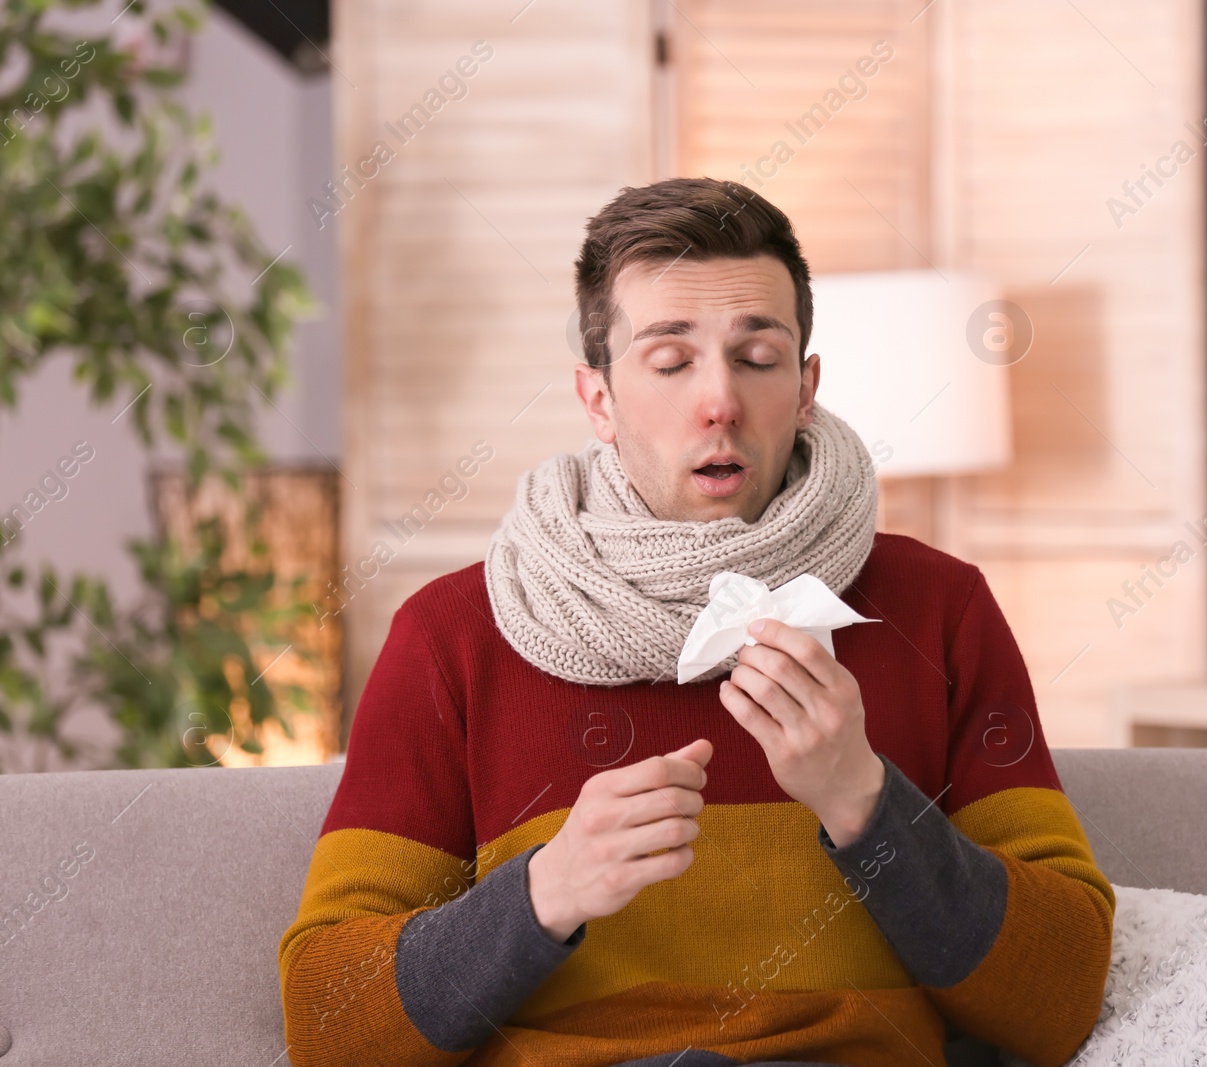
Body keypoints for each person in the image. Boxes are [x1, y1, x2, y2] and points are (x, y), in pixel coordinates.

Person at [277, 177, 1113, 1067]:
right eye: (671, 363)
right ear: (597, 398)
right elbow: (329, 1021)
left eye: (757, 357)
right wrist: (544, 893)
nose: (719, 400)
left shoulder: (938, 609)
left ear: (804, 387)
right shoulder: (454, 636)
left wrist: (865, 803)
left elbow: (1058, 1000)